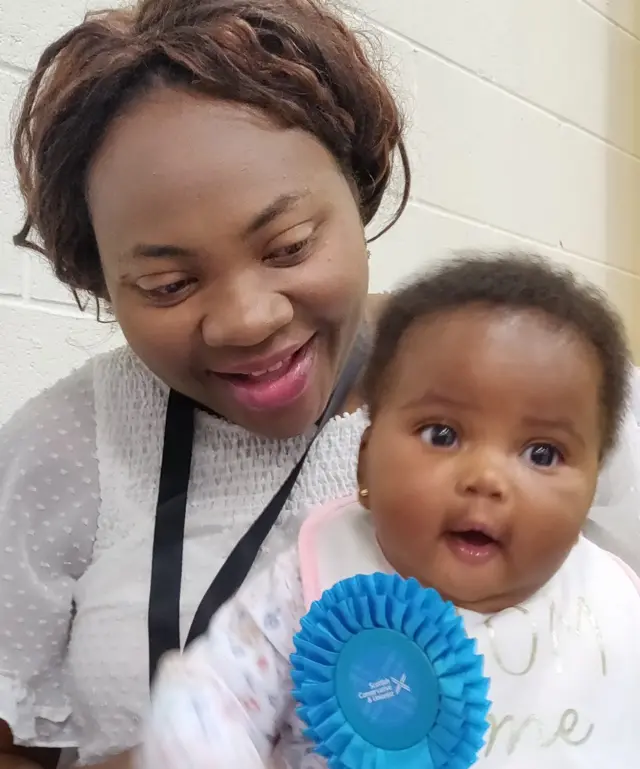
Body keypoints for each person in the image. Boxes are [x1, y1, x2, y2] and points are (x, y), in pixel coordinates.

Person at [0, 0, 409, 766]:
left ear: (355, 188)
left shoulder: (525, 391)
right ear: (101, 279)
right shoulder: (63, 447)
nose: (246, 320)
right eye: (166, 284)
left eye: (287, 245)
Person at [140, 254, 640, 769]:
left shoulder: (612, 613)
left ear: (590, 490)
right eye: (441, 435)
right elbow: (204, 703)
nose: (487, 480)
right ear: (365, 466)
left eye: (543, 454)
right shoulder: (303, 591)